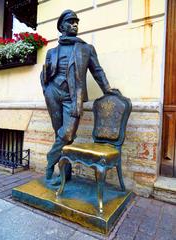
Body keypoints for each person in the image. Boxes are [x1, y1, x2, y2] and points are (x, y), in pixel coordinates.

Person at [40, 9, 117, 184]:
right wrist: (45, 89)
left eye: (76, 22)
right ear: (61, 27)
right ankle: (65, 174)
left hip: (72, 97)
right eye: (71, 22)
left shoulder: (86, 49)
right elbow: (45, 73)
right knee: (58, 133)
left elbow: (97, 70)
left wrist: (107, 89)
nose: (75, 24)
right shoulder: (51, 51)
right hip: (53, 94)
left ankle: (50, 160)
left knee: (67, 135)